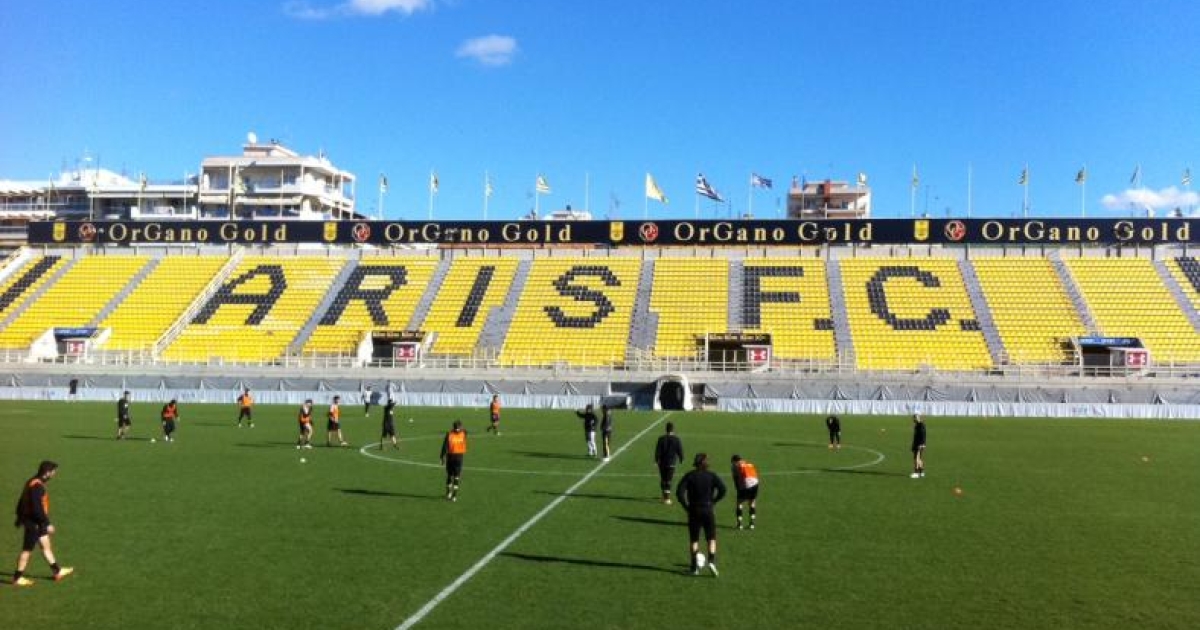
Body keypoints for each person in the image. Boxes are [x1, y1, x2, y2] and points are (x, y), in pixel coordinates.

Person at [11, 461, 73, 586]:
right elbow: (37, 509)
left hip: (37, 522)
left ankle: (57, 571)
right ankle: (17, 578)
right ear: (47, 472)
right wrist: (47, 523)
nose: (54, 474)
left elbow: (21, 500)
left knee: (46, 546)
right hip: (34, 523)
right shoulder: (37, 486)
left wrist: (19, 517)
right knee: (27, 550)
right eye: (53, 472)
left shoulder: (32, 481)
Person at [676, 453, 726, 577]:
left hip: (694, 510)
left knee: (694, 540)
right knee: (711, 538)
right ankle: (711, 561)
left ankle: (694, 568)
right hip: (708, 509)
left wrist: (686, 506)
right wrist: (714, 501)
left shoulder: (689, 475)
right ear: (706, 464)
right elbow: (723, 490)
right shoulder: (712, 475)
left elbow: (679, 493)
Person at [654, 422, 685, 504]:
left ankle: (664, 495)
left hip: (662, 463)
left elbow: (658, 451)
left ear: (666, 429)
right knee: (668, 480)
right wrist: (681, 458)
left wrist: (656, 460)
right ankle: (667, 499)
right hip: (671, 463)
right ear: (673, 429)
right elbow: (680, 450)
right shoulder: (676, 439)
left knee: (663, 479)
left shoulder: (661, 439)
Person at [440, 420, 468, 501]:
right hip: (459, 457)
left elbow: (444, 446)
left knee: (450, 476)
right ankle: (454, 496)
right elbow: (464, 430)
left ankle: (449, 493)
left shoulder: (449, 434)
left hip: (451, 457)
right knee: (456, 477)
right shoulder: (464, 433)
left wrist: (442, 457)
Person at [730, 455, 760, 530]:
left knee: (739, 503)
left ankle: (739, 525)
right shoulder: (750, 464)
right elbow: (755, 475)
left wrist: (738, 490)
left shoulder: (735, 467)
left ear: (735, 461)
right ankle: (752, 525)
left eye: (733, 462)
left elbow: (736, 479)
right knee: (752, 502)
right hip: (755, 484)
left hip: (746, 484)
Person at [911, 413, 927, 479]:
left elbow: (923, 435)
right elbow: (916, 436)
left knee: (916, 458)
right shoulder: (917, 425)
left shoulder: (921, 425)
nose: (914, 419)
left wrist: (922, 444)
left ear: (919, 418)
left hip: (919, 445)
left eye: (915, 418)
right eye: (914, 418)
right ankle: (922, 472)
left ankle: (916, 473)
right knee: (919, 458)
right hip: (916, 444)